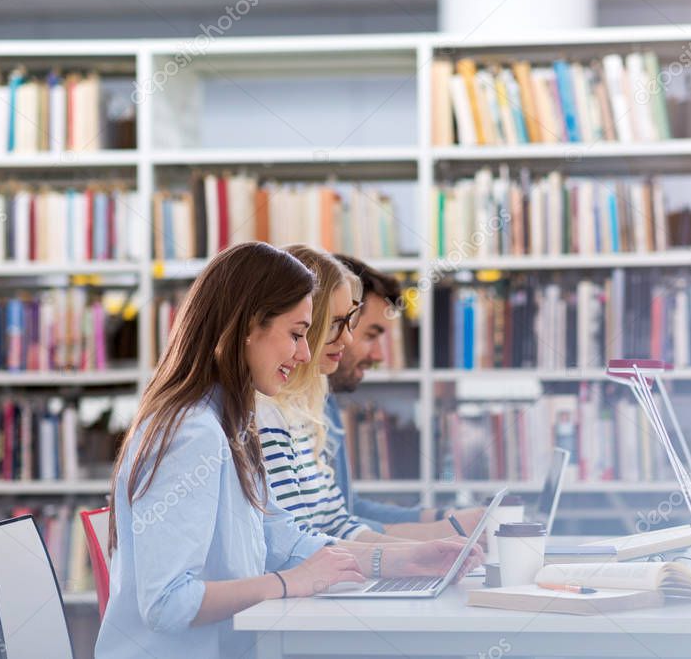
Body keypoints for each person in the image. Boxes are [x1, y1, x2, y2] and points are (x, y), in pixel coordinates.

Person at [96, 242, 481, 659]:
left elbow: (282, 539)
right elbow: (167, 604)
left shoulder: (232, 421)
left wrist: (404, 561)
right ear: (247, 326)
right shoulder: (192, 433)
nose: (303, 353)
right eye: (296, 334)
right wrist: (289, 583)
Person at [327, 254, 487, 540]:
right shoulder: (286, 412)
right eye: (371, 336)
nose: (378, 356)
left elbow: (346, 509)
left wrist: (442, 517)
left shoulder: (325, 401)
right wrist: (439, 530)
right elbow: (322, 527)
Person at [256, 244, 401, 542]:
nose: (347, 338)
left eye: (350, 323)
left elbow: (336, 521)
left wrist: (418, 553)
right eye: (336, 323)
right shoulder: (262, 413)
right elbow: (291, 545)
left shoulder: (303, 408)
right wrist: (394, 559)